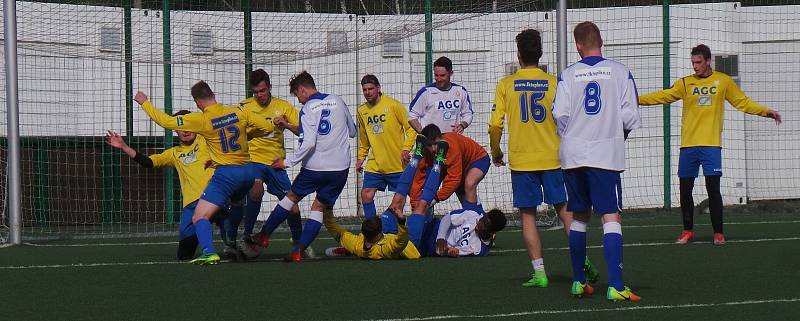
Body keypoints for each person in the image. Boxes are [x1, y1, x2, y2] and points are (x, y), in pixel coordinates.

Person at [638, 44, 782, 245]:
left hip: (711, 146)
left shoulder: (723, 81)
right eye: (693, 62)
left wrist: (766, 111)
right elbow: (663, 95)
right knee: (685, 190)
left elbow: (743, 102)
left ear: (708, 61)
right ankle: (687, 231)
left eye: (698, 62)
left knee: (713, 189)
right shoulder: (685, 83)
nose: (695, 66)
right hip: (688, 146)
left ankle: (718, 233)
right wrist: (635, 100)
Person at [489, 29, 598, 288]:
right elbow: (569, 118)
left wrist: (496, 152)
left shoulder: (506, 84)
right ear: (540, 54)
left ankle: (540, 274)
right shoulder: (554, 82)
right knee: (565, 211)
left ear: (519, 55)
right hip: (553, 157)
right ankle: (582, 261)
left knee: (528, 216)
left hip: (523, 160)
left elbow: (495, 125)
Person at [135, 80, 275, 265]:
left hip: (227, 174)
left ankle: (209, 252)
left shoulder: (201, 119)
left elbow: (166, 121)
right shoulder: (238, 111)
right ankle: (233, 239)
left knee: (199, 216)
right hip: (248, 171)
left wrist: (145, 102)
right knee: (236, 203)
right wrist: (247, 135)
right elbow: (267, 127)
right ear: (213, 94)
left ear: (197, 102)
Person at [551, 21, 642, 301]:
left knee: (578, 216)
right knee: (610, 216)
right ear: (601, 42)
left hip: (573, 154)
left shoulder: (568, 74)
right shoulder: (620, 72)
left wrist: (577, 135)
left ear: (578, 45)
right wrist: (612, 134)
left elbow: (560, 115)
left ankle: (579, 281)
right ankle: (615, 285)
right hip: (605, 154)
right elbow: (630, 116)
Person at [254, 71, 356, 263]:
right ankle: (299, 250)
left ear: (302, 89)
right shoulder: (337, 99)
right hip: (340, 168)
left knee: (291, 197)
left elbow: (308, 142)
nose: (299, 101)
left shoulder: (308, 107)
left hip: (316, 167)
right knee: (318, 206)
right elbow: (352, 131)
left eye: (297, 95)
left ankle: (265, 234)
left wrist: (287, 162)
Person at [104, 114, 215, 260]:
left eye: (188, 127)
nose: (185, 131)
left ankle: (232, 244)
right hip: (192, 204)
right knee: (183, 255)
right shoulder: (174, 153)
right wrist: (124, 147)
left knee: (228, 219)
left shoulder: (207, 140)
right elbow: (148, 162)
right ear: (176, 131)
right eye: (180, 128)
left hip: (215, 196)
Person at [234, 69, 306, 257]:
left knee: (293, 206)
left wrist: (286, 124)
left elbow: (303, 131)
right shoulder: (244, 107)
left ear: (270, 87)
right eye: (256, 92)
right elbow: (235, 132)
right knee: (256, 189)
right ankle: (247, 235)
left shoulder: (283, 106)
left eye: (263, 91)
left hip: (276, 163)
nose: (259, 95)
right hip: (254, 161)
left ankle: (299, 244)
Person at [405, 124, 489, 249]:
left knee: (469, 185)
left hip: (477, 159)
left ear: (441, 139)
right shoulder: (424, 152)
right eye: (429, 145)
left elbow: (454, 180)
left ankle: (486, 229)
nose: (433, 149)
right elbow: (418, 180)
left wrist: (436, 198)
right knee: (427, 197)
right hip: (456, 165)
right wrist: (415, 203)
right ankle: (423, 231)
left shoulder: (451, 148)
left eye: (436, 144)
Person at [355, 74, 416, 233]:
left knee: (402, 201)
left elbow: (411, 129)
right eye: (364, 90)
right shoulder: (362, 111)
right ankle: (373, 232)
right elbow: (364, 138)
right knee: (366, 195)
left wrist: (406, 149)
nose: (367, 92)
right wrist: (361, 158)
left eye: (370, 89)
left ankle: (399, 231)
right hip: (375, 164)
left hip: (396, 164)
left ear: (378, 88)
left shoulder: (393, 105)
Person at [322, 207, 420, 260]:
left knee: (393, 207)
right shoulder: (384, 249)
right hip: (413, 245)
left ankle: (347, 251)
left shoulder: (356, 244)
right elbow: (401, 242)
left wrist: (327, 208)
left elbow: (333, 228)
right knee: (421, 206)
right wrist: (402, 223)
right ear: (378, 234)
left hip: (395, 236)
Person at [408, 56, 474, 134]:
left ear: (451, 73)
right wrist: (424, 133)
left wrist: (462, 125)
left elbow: (468, 113)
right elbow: (412, 116)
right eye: (436, 75)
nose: (438, 79)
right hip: (432, 142)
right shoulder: (426, 92)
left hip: (453, 139)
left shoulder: (461, 91)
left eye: (442, 75)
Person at [433, 208, 507, 257]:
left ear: (491, 232)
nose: (479, 223)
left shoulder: (479, 249)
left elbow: (456, 251)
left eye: (484, 224)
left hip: (433, 249)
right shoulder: (474, 214)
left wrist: (450, 252)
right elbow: (448, 217)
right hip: (433, 229)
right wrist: (440, 237)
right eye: (482, 219)